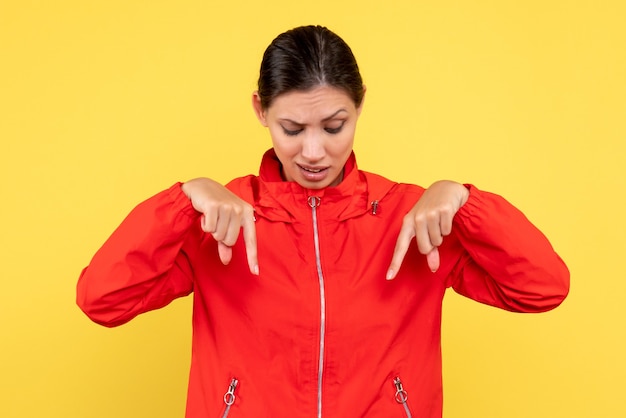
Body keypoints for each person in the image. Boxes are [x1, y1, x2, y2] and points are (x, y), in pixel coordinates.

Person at [77, 25, 569, 418]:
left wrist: (464, 202)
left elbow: (543, 287)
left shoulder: (413, 221)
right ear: (260, 110)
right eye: (292, 129)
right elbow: (101, 299)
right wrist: (183, 201)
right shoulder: (221, 221)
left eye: (335, 126)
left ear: (360, 106)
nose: (314, 152)